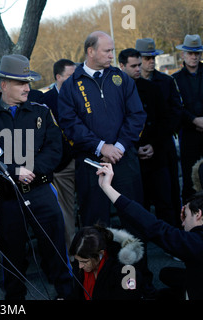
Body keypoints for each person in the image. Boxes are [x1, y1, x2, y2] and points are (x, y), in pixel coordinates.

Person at [0, 54, 73, 300]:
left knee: (55, 250)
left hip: (41, 191)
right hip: (7, 198)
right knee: (12, 257)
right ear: (3, 85)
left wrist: (30, 169)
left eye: (28, 82)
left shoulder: (41, 110)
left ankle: (65, 294)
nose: (27, 88)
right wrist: (12, 171)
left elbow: (55, 148)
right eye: (21, 83)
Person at [57, 31, 146, 227]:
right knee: (96, 225)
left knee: (134, 220)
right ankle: (102, 259)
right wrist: (101, 147)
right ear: (91, 51)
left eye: (112, 51)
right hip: (91, 165)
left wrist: (119, 148)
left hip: (124, 161)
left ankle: (136, 259)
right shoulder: (70, 86)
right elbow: (69, 124)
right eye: (107, 51)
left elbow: (137, 115)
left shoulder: (122, 79)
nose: (111, 56)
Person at [97, 162, 203, 300]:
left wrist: (107, 187)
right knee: (167, 275)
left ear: (198, 214)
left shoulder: (197, 243)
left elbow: (153, 226)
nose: (182, 223)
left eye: (186, 215)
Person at [119, 48, 177, 226]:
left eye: (139, 65)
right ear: (122, 66)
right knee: (137, 204)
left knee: (164, 201)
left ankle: (170, 244)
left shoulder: (152, 89)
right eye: (133, 66)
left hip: (156, 154)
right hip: (130, 157)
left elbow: (164, 120)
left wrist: (153, 145)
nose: (138, 69)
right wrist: (135, 148)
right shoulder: (116, 93)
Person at [136, 38, 183, 217]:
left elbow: (175, 112)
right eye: (146, 58)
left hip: (163, 145)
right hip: (140, 147)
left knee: (170, 192)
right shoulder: (131, 85)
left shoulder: (166, 81)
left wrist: (159, 140)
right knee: (144, 198)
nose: (150, 61)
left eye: (152, 57)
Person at [40, 59, 77, 251]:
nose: (75, 80)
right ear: (58, 77)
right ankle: (73, 255)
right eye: (70, 76)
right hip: (62, 166)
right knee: (66, 212)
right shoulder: (46, 102)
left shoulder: (83, 95)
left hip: (86, 160)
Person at [68, 224, 144, 300]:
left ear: (101, 253)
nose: (80, 266)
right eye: (78, 261)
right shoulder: (82, 259)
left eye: (85, 262)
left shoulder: (125, 270)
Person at [172, 34, 203, 203]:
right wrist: (194, 120)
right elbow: (176, 107)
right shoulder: (175, 79)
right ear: (183, 54)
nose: (194, 57)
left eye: (197, 53)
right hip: (189, 135)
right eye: (190, 53)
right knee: (189, 179)